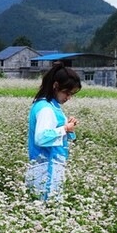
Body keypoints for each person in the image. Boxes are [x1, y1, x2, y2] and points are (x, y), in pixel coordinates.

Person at [26, 62, 81, 200]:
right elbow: (41, 137)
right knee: (47, 205)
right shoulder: (46, 108)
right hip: (46, 167)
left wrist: (68, 128)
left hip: (52, 165)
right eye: (67, 93)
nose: (68, 98)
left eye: (71, 94)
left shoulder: (51, 106)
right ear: (56, 86)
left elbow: (58, 135)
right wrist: (64, 128)